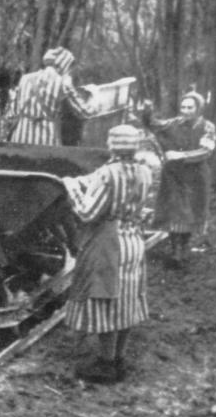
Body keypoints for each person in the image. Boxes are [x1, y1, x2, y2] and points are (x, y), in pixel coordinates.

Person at [62, 124, 152, 384]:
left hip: (109, 243)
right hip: (133, 240)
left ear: (112, 146)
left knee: (107, 301)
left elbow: (88, 213)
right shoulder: (144, 171)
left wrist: (72, 187)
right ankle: (119, 358)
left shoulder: (107, 173)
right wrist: (86, 182)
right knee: (127, 300)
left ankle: (105, 364)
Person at [145, 91, 216, 264]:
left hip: (196, 178)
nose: (185, 111)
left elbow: (207, 150)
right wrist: (147, 111)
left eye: (190, 107)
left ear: (198, 108)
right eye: (183, 107)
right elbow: (154, 125)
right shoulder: (173, 123)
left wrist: (180, 155)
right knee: (175, 211)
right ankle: (176, 250)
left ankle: (183, 248)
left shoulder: (207, 127)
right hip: (174, 177)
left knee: (190, 213)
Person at [6, 47, 92, 145]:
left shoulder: (25, 79)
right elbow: (84, 112)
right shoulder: (63, 82)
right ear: (64, 66)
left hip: (19, 139)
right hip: (45, 142)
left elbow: (12, 113)